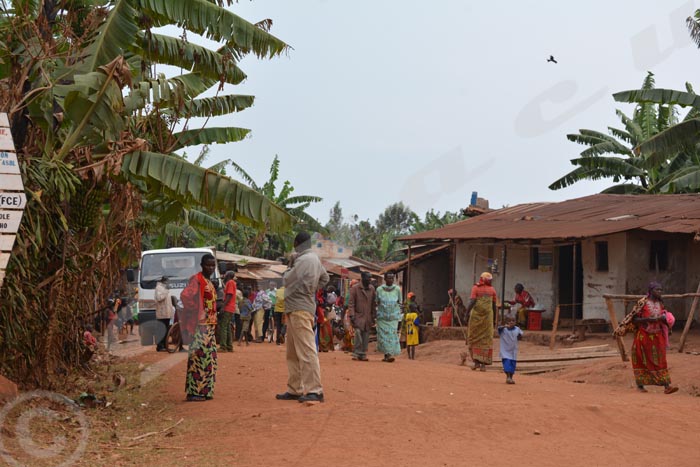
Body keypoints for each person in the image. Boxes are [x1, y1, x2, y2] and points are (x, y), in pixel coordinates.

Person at [276, 231, 329, 404]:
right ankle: (295, 389)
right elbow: (325, 278)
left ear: (296, 243)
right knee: (292, 351)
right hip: (300, 306)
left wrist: (289, 266)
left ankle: (315, 390)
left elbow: (286, 279)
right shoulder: (314, 259)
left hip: (299, 308)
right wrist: (311, 289)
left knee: (306, 350)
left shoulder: (302, 260)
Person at [179, 253, 218, 401]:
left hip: (209, 327)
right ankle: (195, 392)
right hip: (199, 327)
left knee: (210, 359)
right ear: (202, 266)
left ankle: (205, 391)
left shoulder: (209, 281)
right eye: (208, 265)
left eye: (213, 265)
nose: (211, 268)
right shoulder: (197, 279)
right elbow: (186, 296)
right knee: (198, 358)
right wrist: (197, 310)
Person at [631, 282, 679, 394]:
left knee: (661, 360)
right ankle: (640, 386)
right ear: (651, 290)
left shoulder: (660, 303)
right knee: (642, 360)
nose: (660, 292)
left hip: (658, 336)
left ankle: (667, 386)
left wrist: (664, 319)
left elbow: (664, 317)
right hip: (643, 336)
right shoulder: (642, 303)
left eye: (661, 290)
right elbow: (634, 320)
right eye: (657, 290)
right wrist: (648, 320)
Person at [466, 272, 497, 371]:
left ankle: (476, 363)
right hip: (488, 319)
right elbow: (493, 306)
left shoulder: (475, 288)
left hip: (476, 318)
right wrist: (494, 319)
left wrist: (466, 313)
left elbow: (472, 302)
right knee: (485, 340)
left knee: (473, 338)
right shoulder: (492, 290)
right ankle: (483, 364)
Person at [375, 272, 402, 363]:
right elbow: (376, 301)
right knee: (383, 335)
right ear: (385, 279)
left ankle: (389, 353)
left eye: (392, 278)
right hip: (382, 317)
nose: (390, 280)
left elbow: (400, 302)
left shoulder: (397, 289)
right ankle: (387, 354)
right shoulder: (379, 289)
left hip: (393, 317)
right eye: (389, 278)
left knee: (392, 334)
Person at [349, 273, 376, 361]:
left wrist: (373, 315)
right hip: (358, 315)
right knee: (357, 333)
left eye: (370, 279)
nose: (369, 280)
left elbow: (373, 303)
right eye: (367, 278)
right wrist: (352, 315)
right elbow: (351, 303)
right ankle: (357, 352)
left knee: (365, 335)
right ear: (363, 278)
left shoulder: (372, 289)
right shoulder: (355, 289)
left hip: (368, 316)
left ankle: (363, 353)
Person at [498, 317, 523, 384]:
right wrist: (504, 326)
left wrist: (520, 336)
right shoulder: (503, 330)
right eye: (509, 321)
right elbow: (499, 328)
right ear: (506, 322)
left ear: (515, 322)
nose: (511, 322)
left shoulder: (517, 329)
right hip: (505, 351)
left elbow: (520, 336)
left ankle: (511, 377)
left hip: (513, 351)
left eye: (513, 321)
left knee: (512, 365)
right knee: (507, 363)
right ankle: (508, 377)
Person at [218, 271, 237, 352]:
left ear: (228, 275)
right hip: (231, 307)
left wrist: (223, 306)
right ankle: (229, 346)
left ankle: (223, 346)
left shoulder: (230, 282)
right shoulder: (231, 282)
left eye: (225, 274)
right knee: (228, 327)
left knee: (223, 326)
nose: (224, 275)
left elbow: (229, 295)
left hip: (228, 307)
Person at [154, 276, 173, 352]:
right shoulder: (159, 288)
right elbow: (159, 298)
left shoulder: (165, 288)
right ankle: (159, 346)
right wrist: (166, 291)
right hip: (161, 314)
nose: (168, 283)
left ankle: (165, 346)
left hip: (167, 313)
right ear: (164, 281)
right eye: (167, 281)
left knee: (166, 331)